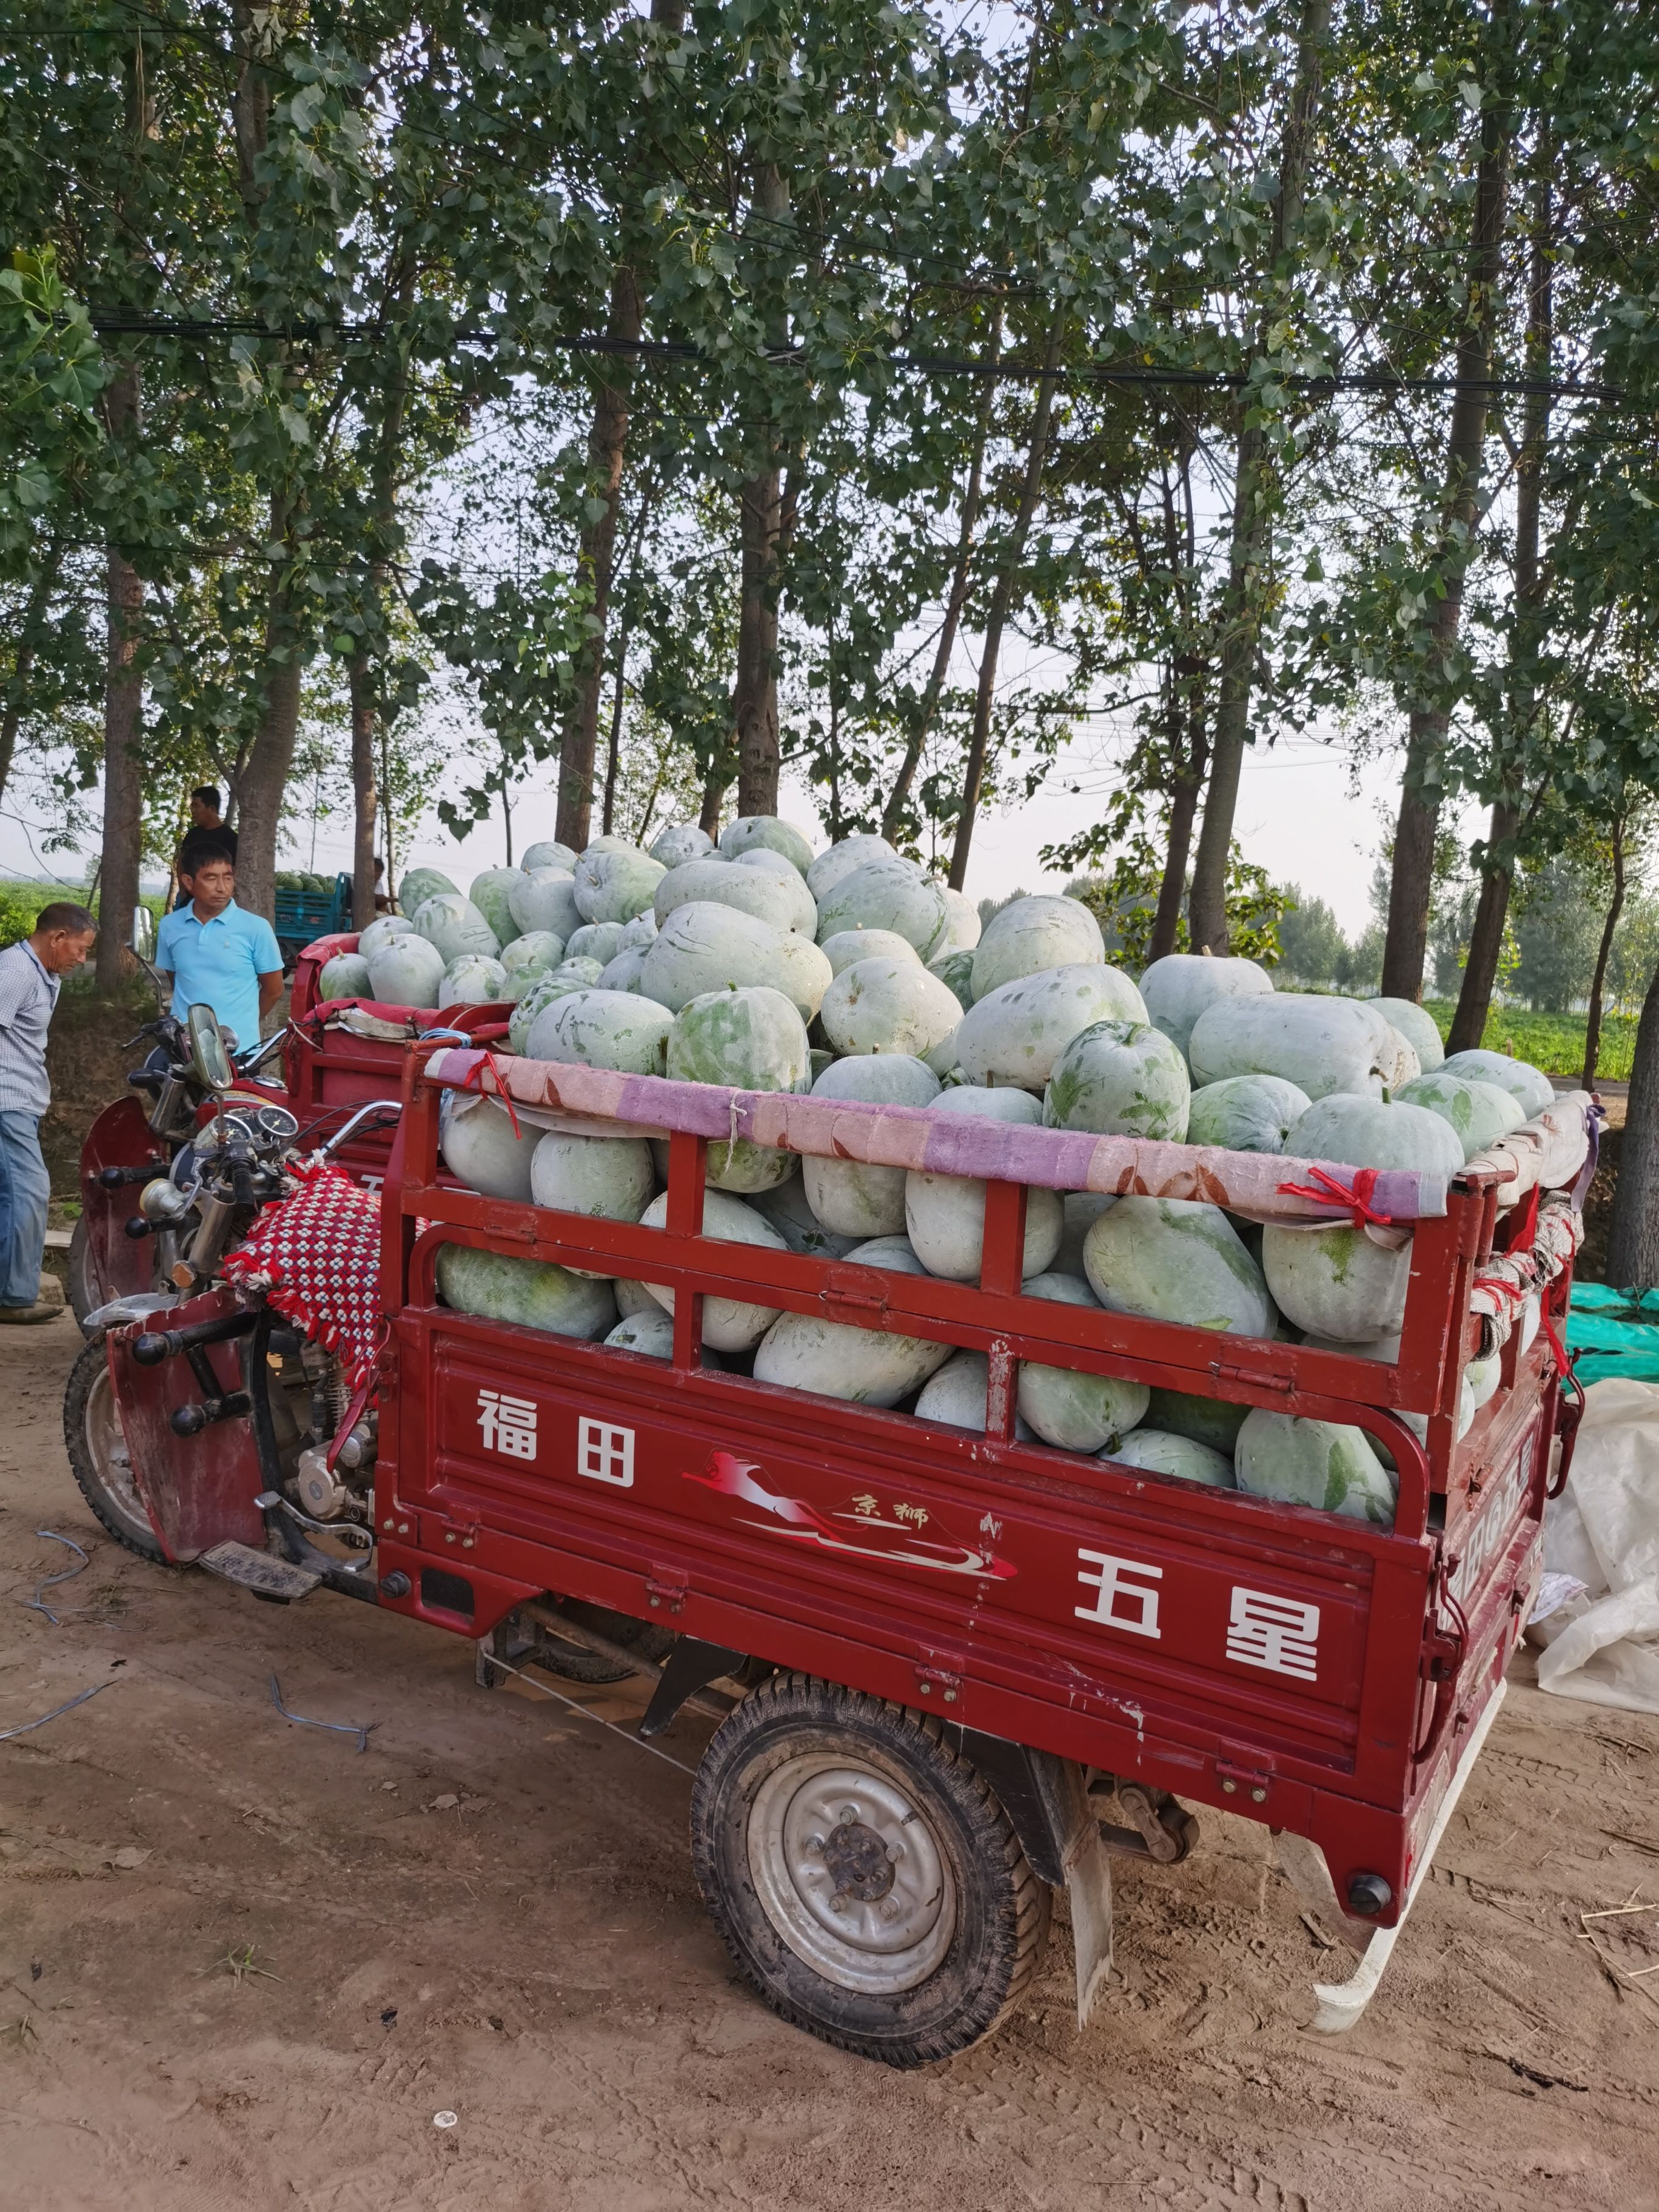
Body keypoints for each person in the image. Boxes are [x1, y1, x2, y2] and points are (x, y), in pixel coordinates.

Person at [0, 902, 98, 1325]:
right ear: (58, 938)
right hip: (7, 1100)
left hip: (22, 1097)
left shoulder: (42, 973)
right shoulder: (16, 972)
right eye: (81, 948)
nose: (83, 959)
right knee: (30, 1189)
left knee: (12, 1194)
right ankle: (13, 1297)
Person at [154, 851, 284, 1055]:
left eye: (228, 878)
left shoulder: (256, 928)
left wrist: (241, 1023)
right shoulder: (170, 926)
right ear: (188, 882)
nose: (222, 887)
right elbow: (178, 981)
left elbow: (274, 990)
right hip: (184, 1048)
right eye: (211, 878)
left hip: (239, 1051)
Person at [172, 786, 238, 910]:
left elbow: (234, 870)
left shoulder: (231, 838)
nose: (193, 811)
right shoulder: (192, 835)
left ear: (212, 809)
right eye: (192, 807)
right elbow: (181, 862)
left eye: (196, 806)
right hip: (188, 900)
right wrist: (183, 888)